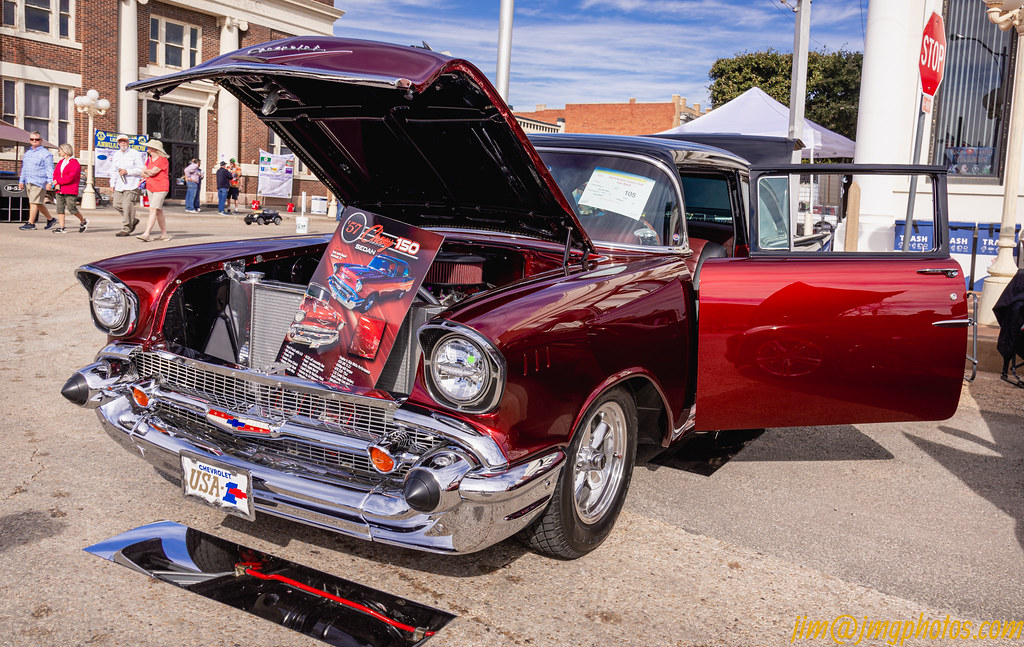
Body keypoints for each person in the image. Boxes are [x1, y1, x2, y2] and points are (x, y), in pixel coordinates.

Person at [17, 131, 56, 230]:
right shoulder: (28, 153)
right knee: (37, 202)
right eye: (32, 139)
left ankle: (31, 223)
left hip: (39, 182)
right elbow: (24, 168)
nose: (34, 141)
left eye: (37, 139)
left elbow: (50, 169)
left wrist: (50, 182)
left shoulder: (46, 154)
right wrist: (21, 180)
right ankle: (50, 219)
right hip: (28, 181)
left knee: (33, 202)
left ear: (41, 140)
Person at [109, 134, 145, 237]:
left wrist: (127, 171)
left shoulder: (135, 153)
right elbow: (113, 170)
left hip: (131, 184)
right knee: (116, 204)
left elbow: (141, 169)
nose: (123, 143)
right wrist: (112, 183)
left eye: (124, 141)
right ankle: (132, 220)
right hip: (119, 185)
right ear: (118, 143)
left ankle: (126, 228)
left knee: (127, 205)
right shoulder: (116, 154)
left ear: (128, 142)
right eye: (120, 141)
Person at [136, 140, 171, 242]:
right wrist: (148, 172)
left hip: (161, 187)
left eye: (149, 147)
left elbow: (152, 172)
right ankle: (164, 234)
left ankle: (146, 233)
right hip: (150, 187)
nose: (147, 148)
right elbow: (143, 173)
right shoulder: (149, 159)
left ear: (155, 149)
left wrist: (147, 172)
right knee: (158, 211)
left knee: (152, 209)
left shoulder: (162, 160)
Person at [51, 143, 87, 234]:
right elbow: (55, 174)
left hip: (70, 189)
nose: (59, 152)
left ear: (66, 151)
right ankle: (62, 227)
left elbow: (71, 177)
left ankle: (83, 221)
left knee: (72, 208)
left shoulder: (75, 163)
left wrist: (58, 181)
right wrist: (55, 182)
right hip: (59, 189)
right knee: (60, 208)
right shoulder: (60, 162)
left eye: (60, 150)